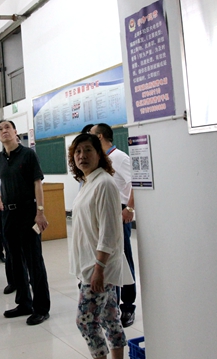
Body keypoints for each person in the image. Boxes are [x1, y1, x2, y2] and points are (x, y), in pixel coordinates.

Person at [68, 133, 133, 359]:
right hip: (92, 263)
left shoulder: (104, 183)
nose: (82, 155)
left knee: (85, 321)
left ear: (99, 154)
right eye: (77, 151)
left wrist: (99, 268)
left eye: (88, 150)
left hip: (98, 267)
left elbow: (109, 232)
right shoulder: (89, 182)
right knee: (110, 317)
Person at [0, 119, 51, 326]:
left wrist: (40, 212)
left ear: (15, 132)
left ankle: (41, 308)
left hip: (28, 212)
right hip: (8, 215)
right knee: (14, 260)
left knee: (34, 261)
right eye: (0, 129)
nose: (4, 131)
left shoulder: (28, 154)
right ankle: (24, 303)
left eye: (7, 127)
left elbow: (37, 183)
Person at [90, 123, 137, 328]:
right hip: (104, 211)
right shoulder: (100, 159)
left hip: (120, 211)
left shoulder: (119, 157)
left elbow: (136, 182)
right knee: (109, 259)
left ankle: (128, 306)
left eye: (91, 134)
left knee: (123, 258)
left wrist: (130, 208)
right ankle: (112, 305)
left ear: (100, 136)